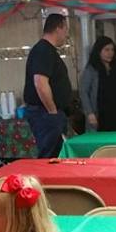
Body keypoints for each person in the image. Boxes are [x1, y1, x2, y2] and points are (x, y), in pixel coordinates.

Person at [24, 13, 72, 157]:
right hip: (45, 113)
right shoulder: (43, 50)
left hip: (49, 113)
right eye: (66, 29)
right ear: (58, 28)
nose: (67, 35)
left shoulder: (48, 51)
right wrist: (52, 111)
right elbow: (40, 82)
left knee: (57, 154)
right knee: (50, 155)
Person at [79, 36, 116, 132]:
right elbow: (83, 92)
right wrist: (89, 113)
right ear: (99, 51)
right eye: (106, 50)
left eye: (112, 50)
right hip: (99, 113)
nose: (110, 53)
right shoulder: (91, 69)